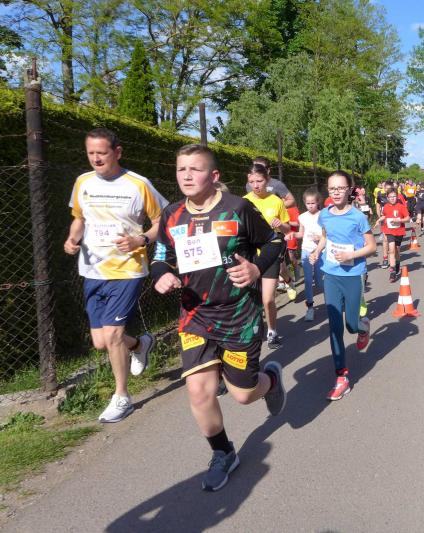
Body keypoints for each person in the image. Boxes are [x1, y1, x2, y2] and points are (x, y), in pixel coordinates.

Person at [151, 144, 287, 492]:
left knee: (243, 394)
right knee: (199, 391)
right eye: (181, 169)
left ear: (214, 176)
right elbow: (161, 256)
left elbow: (275, 241)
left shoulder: (238, 208)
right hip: (195, 314)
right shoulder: (172, 214)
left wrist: (256, 268)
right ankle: (223, 452)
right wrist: (160, 274)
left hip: (239, 314)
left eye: (195, 169)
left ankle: (271, 381)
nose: (186, 176)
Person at [64, 128, 168, 423]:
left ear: (117, 152)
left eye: (102, 153)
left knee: (113, 334)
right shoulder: (82, 182)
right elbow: (79, 219)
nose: (96, 158)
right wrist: (72, 239)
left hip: (127, 268)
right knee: (101, 341)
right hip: (92, 269)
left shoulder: (138, 184)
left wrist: (141, 240)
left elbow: (161, 220)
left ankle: (122, 397)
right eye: (91, 153)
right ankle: (140, 345)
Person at [309, 171, 376, 401]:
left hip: (353, 274)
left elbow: (372, 246)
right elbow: (325, 236)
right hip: (331, 275)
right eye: (332, 188)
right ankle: (341, 377)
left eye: (340, 188)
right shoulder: (324, 214)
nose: (336, 192)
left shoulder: (358, 217)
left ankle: (363, 327)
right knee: (335, 327)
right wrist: (317, 251)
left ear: (349, 190)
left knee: (351, 325)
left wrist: (351, 254)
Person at [244, 163, 291, 349]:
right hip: (250, 254)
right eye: (252, 182)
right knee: (251, 299)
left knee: (268, 299)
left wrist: (281, 224)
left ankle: (272, 332)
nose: (256, 185)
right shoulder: (243, 202)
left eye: (259, 181)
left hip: (270, 253)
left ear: (267, 180)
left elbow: (287, 228)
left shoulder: (276, 201)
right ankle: (253, 330)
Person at [297, 188, 325, 322]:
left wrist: (320, 237)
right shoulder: (302, 217)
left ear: (318, 202)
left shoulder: (323, 215)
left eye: (313, 203)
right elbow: (300, 233)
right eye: (308, 203)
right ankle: (310, 307)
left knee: (319, 281)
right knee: (308, 280)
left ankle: (333, 301)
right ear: (304, 203)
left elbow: (327, 234)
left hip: (320, 251)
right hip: (306, 251)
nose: (310, 206)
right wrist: (290, 234)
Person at [377, 187, 411, 283]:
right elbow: (384, 215)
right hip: (389, 231)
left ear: (397, 197)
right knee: (391, 250)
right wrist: (379, 220)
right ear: (387, 198)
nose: (392, 198)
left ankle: (397, 264)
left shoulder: (401, 206)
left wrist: (399, 220)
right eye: (390, 197)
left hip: (399, 231)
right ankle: (392, 271)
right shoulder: (386, 207)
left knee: (397, 251)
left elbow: (408, 218)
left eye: (394, 196)